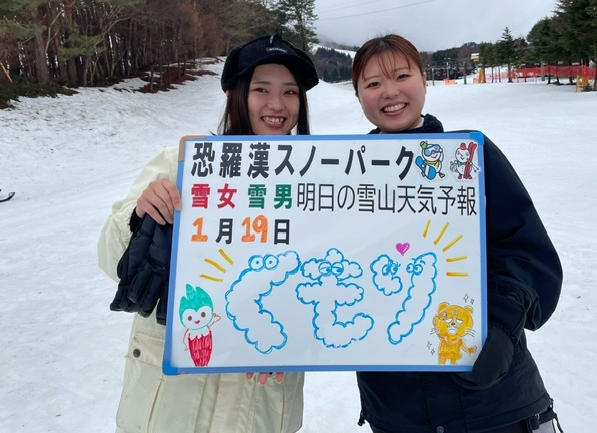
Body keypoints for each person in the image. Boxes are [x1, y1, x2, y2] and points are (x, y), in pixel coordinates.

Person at [97, 33, 319, 433]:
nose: (277, 104)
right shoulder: (183, 164)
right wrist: (140, 213)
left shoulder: (316, 184)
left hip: (259, 402)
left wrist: (299, 337)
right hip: (169, 401)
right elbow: (110, 259)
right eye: (261, 89)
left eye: (290, 92)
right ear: (238, 95)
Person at [351, 34, 564, 433]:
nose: (390, 92)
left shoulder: (471, 156)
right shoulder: (343, 175)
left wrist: (501, 327)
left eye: (402, 75)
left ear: (424, 79)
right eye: (373, 83)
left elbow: (528, 254)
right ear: (358, 94)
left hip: (495, 401)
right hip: (396, 409)